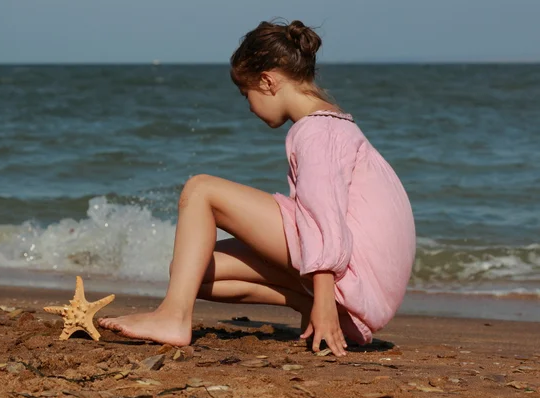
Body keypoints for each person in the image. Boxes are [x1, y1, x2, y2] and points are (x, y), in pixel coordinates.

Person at [99, 20, 416, 357]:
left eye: (245, 92)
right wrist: (320, 305)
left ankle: (173, 317)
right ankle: (315, 308)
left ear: (268, 81)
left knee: (201, 190)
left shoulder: (317, 132)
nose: (248, 105)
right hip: (362, 296)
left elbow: (325, 222)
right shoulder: (334, 123)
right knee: (190, 271)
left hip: (354, 280)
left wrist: (325, 298)